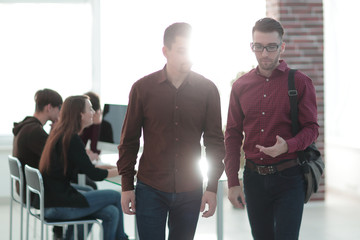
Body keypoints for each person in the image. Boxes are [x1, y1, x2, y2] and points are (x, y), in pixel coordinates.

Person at [117, 22, 225, 240]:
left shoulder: (208, 90)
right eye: (182, 50)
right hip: (150, 189)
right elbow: (129, 140)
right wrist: (127, 186)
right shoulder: (142, 89)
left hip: (190, 189)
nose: (188, 56)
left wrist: (212, 187)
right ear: (165, 52)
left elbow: (214, 143)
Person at [224, 17, 319, 240]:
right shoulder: (240, 87)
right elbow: (232, 136)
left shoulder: (301, 82)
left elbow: (312, 128)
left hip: (289, 177)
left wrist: (289, 145)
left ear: (281, 47)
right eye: (258, 47)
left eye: (271, 47)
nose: (264, 53)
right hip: (253, 179)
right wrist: (232, 182)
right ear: (252, 46)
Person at [39, 95, 128, 240]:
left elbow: (83, 167)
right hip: (59, 205)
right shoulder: (71, 138)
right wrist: (123, 171)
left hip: (51, 202)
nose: (94, 112)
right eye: (90, 108)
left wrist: (112, 168)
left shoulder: (61, 133)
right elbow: (94, 174)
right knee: (116, 196)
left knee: (111, 212)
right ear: (80, 114)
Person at [12, 88, 64, 240]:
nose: (60, 113)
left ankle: (61, 233)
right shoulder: (34, 131)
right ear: (49, 108)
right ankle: (63, 235)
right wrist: (58, 131)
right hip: (35, 194)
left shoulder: (25, 126)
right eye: (59, 108)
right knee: (87, 186)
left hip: (26, 189)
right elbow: (58, 159)